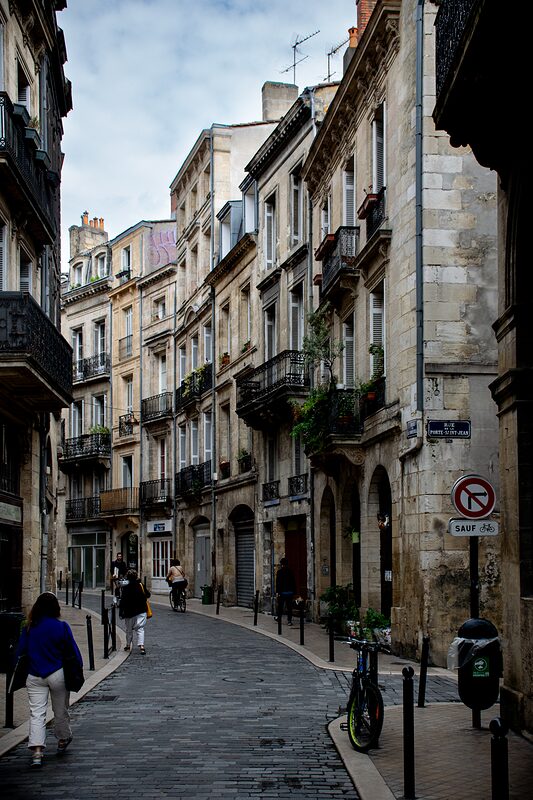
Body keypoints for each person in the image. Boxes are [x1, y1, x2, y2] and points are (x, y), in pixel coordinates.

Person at [15, 592, 83, 767]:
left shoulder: (30, 627)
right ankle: (62, 739)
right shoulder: (62, 627)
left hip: (35, 673)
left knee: (36, 713)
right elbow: (73, 652)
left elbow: (20, 651)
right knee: (60, 710)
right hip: (57, 673)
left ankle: (37, 751)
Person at [119, 570, 150, 655]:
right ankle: (142, 646)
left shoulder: (125, 587)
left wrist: (121, 612)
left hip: (129, 611)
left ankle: (128, 645)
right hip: (141, 609)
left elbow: (123, 600)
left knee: (129, 629)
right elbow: (148, 595)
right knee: (140, 628)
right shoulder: (140, 585)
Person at [275, 557, 296, 626]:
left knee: (280, 607)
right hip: (290, 592)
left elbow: (278, 583)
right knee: (289, 607)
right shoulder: (291, 571)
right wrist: (294, 592)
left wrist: (277, 592)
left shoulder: (279, 572)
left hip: (282, 593)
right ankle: (289, 620)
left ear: (281, 564)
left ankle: (279, 618)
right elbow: (293, 582)